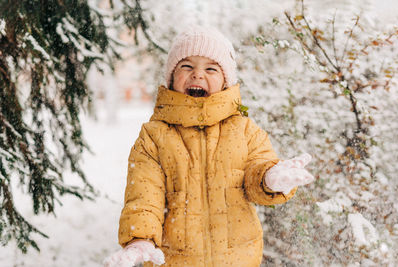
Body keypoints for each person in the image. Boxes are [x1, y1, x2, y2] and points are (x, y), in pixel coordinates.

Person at [104, 26, 315, 267]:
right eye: (186, 66)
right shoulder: (153, 137)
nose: (197, 75)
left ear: (226, 81)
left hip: (238, 260)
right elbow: (143, 197)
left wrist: (270, 178)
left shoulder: (245, 131)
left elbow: (258, 170)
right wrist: (139, 239)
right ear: (171, 77)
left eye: (210, 68)